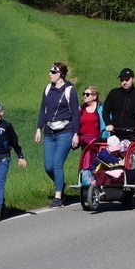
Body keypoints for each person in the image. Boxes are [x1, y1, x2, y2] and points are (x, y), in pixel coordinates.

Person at [35, 62, 80, 208]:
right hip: (49, 132)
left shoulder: (70, 90)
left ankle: (58, 197)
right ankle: (61, 184)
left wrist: (76, 133)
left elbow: (75, 114)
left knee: (57, 163)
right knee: (48, 166)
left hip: (65, 131)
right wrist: (38, 129)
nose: (49, 74)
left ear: (59, 74)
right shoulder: (48, 89)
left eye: (52, 72)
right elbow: (43, 109)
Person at [102, 68, 135, 132]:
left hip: (132, 134)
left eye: (127, 80)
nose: (124, 82)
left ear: (133, 79)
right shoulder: (114, 93)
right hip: (115, 133)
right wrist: (108, 124)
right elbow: (105, 111)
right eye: (122, 80)